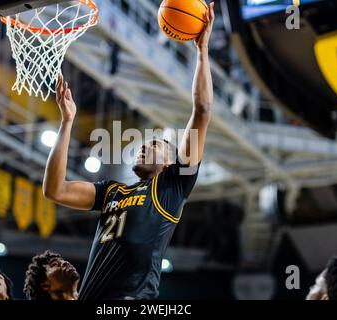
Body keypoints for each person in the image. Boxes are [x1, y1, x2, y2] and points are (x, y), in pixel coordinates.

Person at [43, 3, 215, 300]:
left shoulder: (172, 188)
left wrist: (201, 51)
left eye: (156, 144)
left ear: (172, 163)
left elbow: (202, 110)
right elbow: (55, 190)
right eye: (146, 142)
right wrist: (67, 122)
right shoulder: (111, 191)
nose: (145, 145)